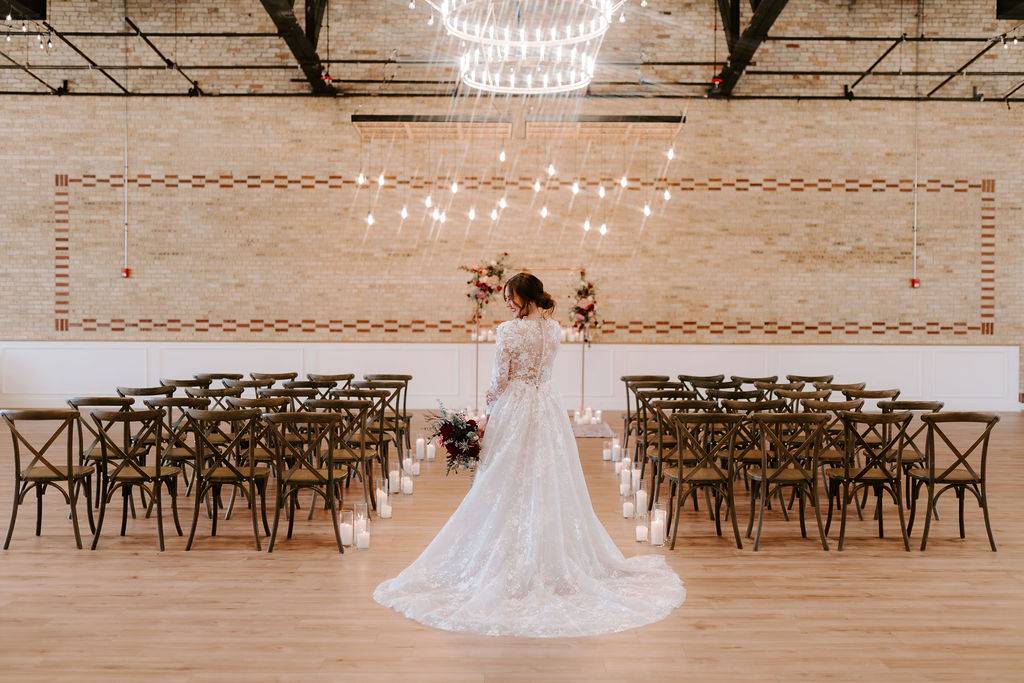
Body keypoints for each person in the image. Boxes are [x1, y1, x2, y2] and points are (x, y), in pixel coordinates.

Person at [373, 272, 684, 637]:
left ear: (523, 296)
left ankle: (509, 558)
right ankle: (551, 554)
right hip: (548, 407)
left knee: (503, 479)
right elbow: (543, 370)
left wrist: (485, 416)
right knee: (548, 478)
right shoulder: (554, 329)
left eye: (510, 297)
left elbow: (497, 381)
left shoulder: (508, 331)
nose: (506, 303)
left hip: (515, 406)